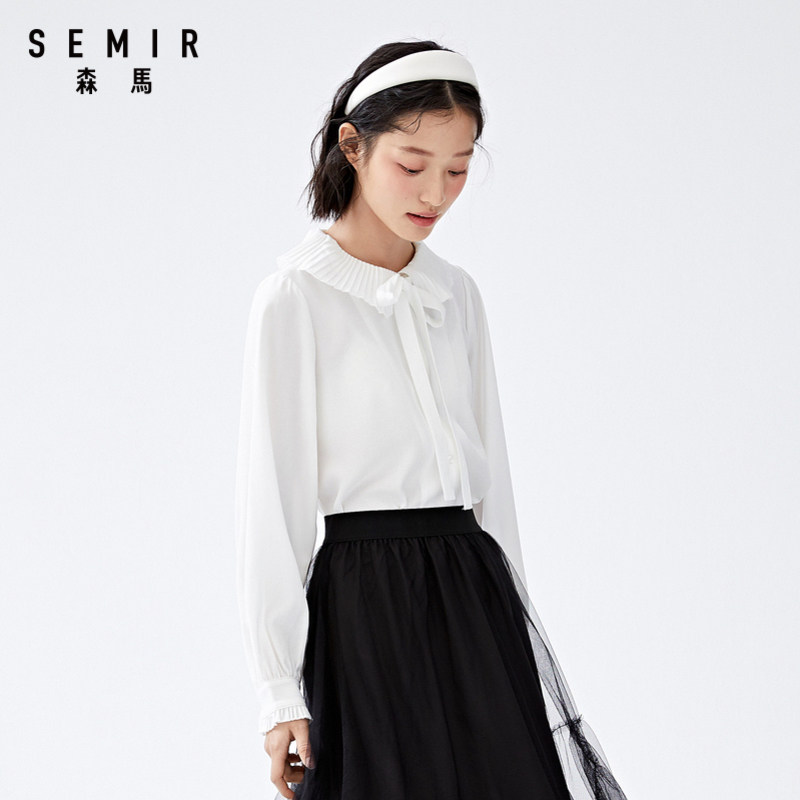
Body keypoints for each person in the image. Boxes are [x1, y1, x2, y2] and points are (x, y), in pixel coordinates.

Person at [234, 40, 629, 800]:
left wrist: (518, 633)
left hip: (475, 591)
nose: (436, 194)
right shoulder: (295, 299)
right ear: (353, 146)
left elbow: (494, 485)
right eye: (412, 165)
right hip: (365, 602)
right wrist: (278, 691)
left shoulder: (457, 294)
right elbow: (271, 505)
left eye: (458, 169)